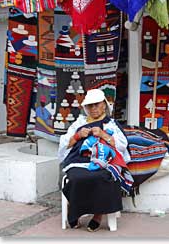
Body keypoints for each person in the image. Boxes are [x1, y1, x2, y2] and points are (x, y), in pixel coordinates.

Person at [58, 88, 133, 231]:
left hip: (103, 161)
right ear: (85, 107)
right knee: (76, 177)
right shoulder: (79, 123)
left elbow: (122, 146)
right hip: (79, 160)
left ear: (104, 104)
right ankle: (74, 210)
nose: (93, 108)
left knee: (103, 177)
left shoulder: (111, 124)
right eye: (89, 106)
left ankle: (98, 214)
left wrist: (104, 135)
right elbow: (64, 144)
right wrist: (78, 136)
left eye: (96, 104)